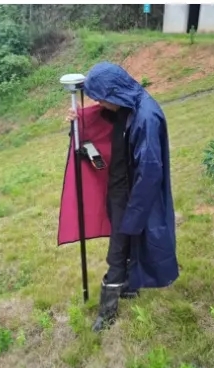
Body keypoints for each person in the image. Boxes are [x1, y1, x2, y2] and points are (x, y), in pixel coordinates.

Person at [74, 63, 179, 332]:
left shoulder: (146, 117)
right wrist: (77, 122)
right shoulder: (129, 107)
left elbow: (150, 172)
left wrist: (133, 216)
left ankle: (106, 313)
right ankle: (131, 287)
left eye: (100, 97)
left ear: (113, 92)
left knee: (117, 251)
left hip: (132, 195)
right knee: (128, 242)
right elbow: (108, 122)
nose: (99, 102)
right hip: (120, 188)